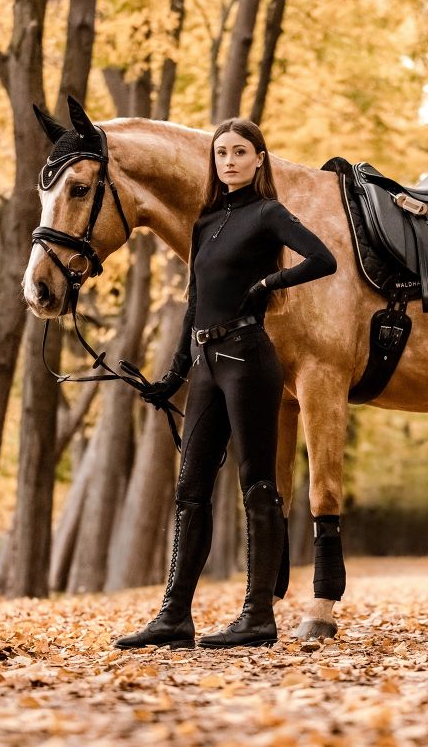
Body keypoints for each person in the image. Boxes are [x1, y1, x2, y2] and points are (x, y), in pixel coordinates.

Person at [114, 118, 337, 650]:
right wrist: (173, 375)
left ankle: (258, 616)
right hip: (206, 363)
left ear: (259, 159)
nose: (230, 161)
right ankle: (174, 616)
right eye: (221, 154)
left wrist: (267, 284)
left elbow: (323, 259)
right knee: (190, 489)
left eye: (240, 152)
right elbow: (194, 303)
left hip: (248, 358)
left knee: (257, 483)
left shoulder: (268, 214)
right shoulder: (206, 220)